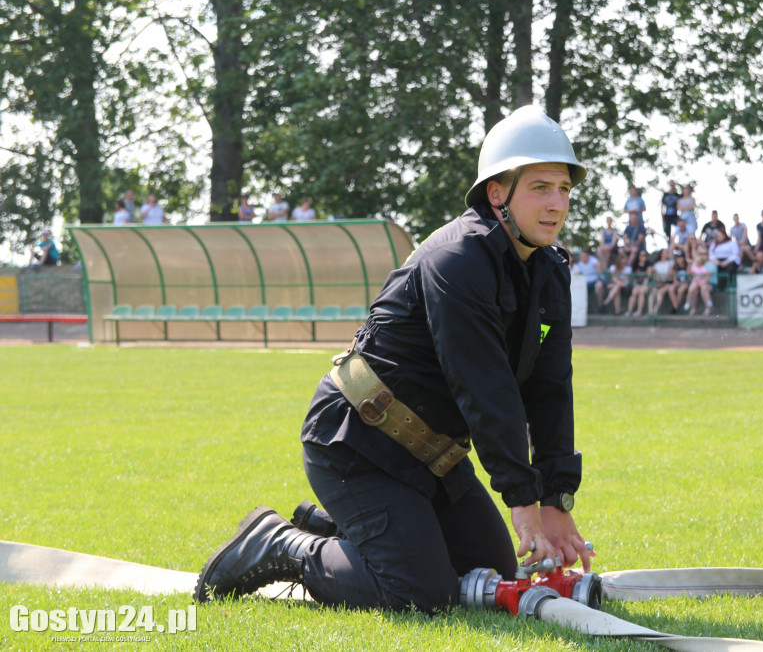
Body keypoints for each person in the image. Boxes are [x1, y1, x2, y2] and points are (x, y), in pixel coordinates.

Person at [193, 105, 593, 612]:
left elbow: (551, 389)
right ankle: (280, 545)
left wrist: (557, 500)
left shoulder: (550, 271)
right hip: (358, 442)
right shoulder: (458, 260)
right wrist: (523, 503)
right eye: (540, 187)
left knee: (492, 571)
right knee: (423, 595)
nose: (557, 202)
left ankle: (341, 530)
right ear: (498, 194)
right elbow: (485, 387)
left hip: (434, 456)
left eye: (564, 188)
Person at [648, 248, 680, 315]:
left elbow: (670, 275)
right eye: (666, 252)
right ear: (661, 254)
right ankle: (651, 312)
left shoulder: (671, 262)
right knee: (652, 294)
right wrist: (659, 279)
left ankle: (655, 311)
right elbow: (656, 276)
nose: (667, 253)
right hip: (660, 284)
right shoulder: (656, 264)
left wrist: (661, 278)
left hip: (668, 283)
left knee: (661, 292)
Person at [683, 246, 713, 315]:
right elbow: (689, 272)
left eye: (704, 254)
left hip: (703, 284)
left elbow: (707, 276)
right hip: (696, 283)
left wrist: (703, 280)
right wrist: (689, 264)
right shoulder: (694, 267)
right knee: (692, 289)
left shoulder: (705, 267)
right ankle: (689, 304)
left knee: (703, 289)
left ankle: (708, 304)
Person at [625, 249, 652, 317]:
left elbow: (648, 277)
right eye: (641, 255)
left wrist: (643, 285)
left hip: (647, 284)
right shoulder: (635, 264)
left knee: (641, 292)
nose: (643, 257)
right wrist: (635, 285)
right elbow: (634, 278)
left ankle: (639, 312)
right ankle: (629, 311)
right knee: (634, 292)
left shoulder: (649, 264)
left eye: (644, 255)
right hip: (638, 284)